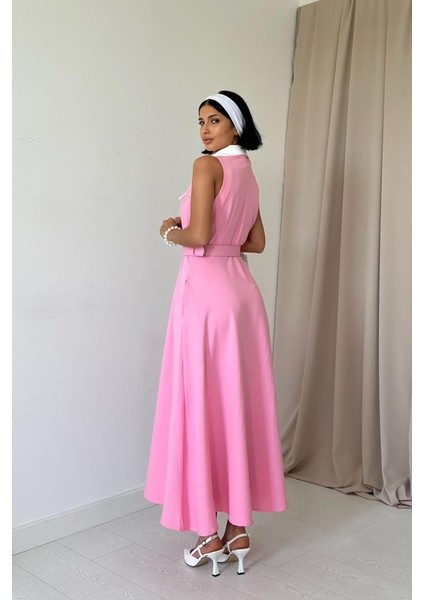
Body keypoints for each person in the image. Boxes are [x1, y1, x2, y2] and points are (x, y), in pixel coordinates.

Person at [144, 90, 287, 577]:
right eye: (201, 121)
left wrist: (169, 229)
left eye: (215, 120)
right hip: (242, 295)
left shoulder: (206, 166)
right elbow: (257, 242)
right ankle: (238, 528)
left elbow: (199, 236)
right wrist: (210, 231)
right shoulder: (247, 170)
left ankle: (207, 533)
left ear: (236, 125)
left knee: (203, 402)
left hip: (205, 296)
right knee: (236, 403)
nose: (205, 129)